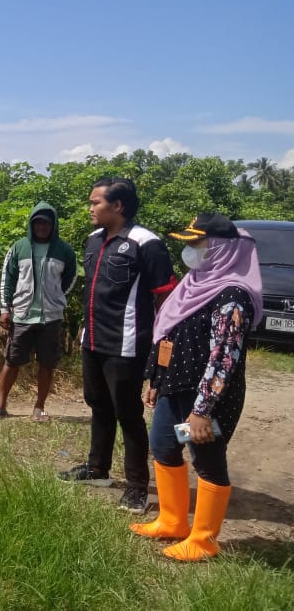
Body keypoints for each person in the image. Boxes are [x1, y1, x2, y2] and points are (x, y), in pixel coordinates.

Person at [130, 213, 262, 561]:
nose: (189, 251)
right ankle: (173, 520)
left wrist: (201, 411)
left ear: (221, 249)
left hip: (206, 398)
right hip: (176, 388)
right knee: (162, 445)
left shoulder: (233, 295)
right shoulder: (194, 284)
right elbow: (170, 336)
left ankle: (203, 540)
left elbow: (223, 359)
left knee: (206, 456)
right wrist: (156, 380)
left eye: (196, 243)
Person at [58, 178, 176, 516]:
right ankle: (98, 469)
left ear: (118, 206)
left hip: (126, 343)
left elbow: (166, 298)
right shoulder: (94, 241)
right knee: (98, 403)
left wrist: (162, 348)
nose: (90, 208)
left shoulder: (146, 243)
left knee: (128, 412)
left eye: (96, 203)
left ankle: (138, 486)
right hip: (93, 338)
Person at [0, 202, 77, 421]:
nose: (42, 227)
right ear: (31, 224)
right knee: (12, 360)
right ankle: (0, 404)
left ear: (53, 225)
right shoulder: (19, 247)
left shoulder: (64, 250)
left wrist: (56, 295)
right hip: (23, 315)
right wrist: (5, 308)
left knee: (46, 363)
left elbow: (71, 277)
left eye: (46, 222)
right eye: (38, 222)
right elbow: (7, 278)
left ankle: (39, 407)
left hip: (51, 317)